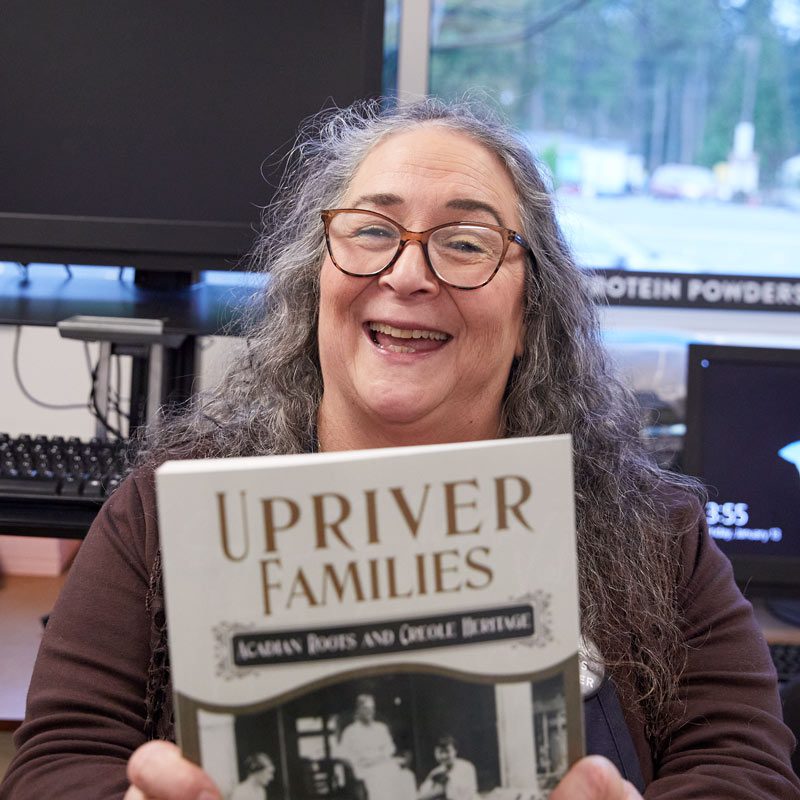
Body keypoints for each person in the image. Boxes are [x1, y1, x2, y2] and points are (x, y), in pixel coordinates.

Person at [1, 97, 798, 800]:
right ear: (316, 283)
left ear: (531, 314)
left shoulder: (652, 530)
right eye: (373, 231)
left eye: (465, 242)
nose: (408, 273)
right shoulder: (164, 510)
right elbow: (58, 763)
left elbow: (746, 767)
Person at [335, 694, 409, 800]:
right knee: (378, 780)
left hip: (384, 764)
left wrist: (380, 756)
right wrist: (356, 763)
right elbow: (342, 754)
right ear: (359, 710)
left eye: (372, 708)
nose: (370, 711)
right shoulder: (350, 731)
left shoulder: (381, 728)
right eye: (366, 708)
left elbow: (390, 748)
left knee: (407, 776)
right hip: (366, 768)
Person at [417, 736, 478, 800]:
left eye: (447, 751)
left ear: (455, 751)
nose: (444, 756)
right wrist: (435, 792)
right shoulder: (435, 773)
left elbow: (470, 793)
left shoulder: (466, 768)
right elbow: (420, 796)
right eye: (440, 752)